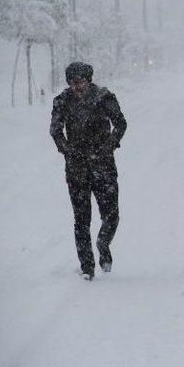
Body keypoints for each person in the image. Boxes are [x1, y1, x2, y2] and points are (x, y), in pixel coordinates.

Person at [50, 62, 127, 281]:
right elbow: (55, 131)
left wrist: (110, 144)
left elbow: (120, 123)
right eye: (74, 83)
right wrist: (68, 151)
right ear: (69, 83)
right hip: (77, 170)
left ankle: (103, 244)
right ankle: (87, 268)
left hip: (104, 167)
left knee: (111, 216)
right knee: (81, 220)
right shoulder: (62, 101)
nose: (78, 87)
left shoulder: (104, 97)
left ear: (89, 80)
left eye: (81, 82)